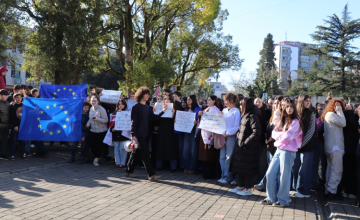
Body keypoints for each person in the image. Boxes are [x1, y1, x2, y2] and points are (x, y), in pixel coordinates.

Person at [260, 98, 303, 207]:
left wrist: (279, 137)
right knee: (270, 173)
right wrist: (280, 137)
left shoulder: (296, 121)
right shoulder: (283, 119)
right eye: (287, 106)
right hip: (279, 149)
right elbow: (274, 133)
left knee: (284, 176)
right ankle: (271, 197)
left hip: (289, 151)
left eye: (291, 106)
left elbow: (287, 137)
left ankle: (283, 200)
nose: (289, 109)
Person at [127, 87, 167, 181]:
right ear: (141, 95)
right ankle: (151, 174)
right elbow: (133, 121)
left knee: (135, 153)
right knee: (145, 153)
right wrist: (133, 134)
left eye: (148, 94)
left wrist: (163, 111)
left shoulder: (148, 108)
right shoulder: (135, 107)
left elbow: (155, 118)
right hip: (138, 134)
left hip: (145, 133)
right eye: (146, 94)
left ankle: (129, 171)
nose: (147, 96)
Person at [231, 98, 262, 196]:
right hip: (241, 148)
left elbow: (256, 132)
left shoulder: (253, 116)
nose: (240, 106)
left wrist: (245, 143)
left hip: (248, 149)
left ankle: (248, 188)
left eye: (242, 104)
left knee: (248, 169)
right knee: (240, 168)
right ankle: (241, 185)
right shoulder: (245, 115)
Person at [254, 95, 283, 192]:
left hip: (276, 145)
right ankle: (266, 185)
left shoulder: (280, 115)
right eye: (274, 103)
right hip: (269, 144)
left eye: (278, 103)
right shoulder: (272, 114)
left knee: (273, 168)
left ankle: (271, 188)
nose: (275, 105)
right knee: (270, 166)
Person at [291, 95, 317, 198]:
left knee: (305, 169)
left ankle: (305, 191)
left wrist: (301, 144)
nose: (308, 103)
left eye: (309, 101)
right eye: (306, 101)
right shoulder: (296, 113)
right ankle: (297, 188)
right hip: (297, 146)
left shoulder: (311, 113)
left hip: (307, 145)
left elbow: (311, 131)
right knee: (296, 167)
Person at [321, 99, 346, 200]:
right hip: (335, 147)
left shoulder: (329, 115)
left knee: (330, 169)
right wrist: (339, 109)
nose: (338, 107)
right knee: (336, 170)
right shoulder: (331, 114)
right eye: (336, 105)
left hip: (332, 147)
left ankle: (328, 191)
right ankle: (332, 192)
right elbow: (343, 123)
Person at [218, 93, 240, 184]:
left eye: (225, 100)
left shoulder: (236, 111)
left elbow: (236, 126)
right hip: (222, 135)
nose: (224, 102)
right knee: (222, 157)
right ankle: (223, 175)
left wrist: (227, 133)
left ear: (230, 101)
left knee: (228, 157)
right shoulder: (224, 110)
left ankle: (228, 177)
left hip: (230, 136)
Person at [198, 95, 222, 179]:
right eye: (207, 100)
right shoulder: (206, 109)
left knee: (209, 154)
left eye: (209, 100)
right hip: (204, 133)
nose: (207, 101)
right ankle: (205, 171)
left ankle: (210, 172)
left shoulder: (216, 110)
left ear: (214, 101)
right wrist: (200, 115)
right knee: (204, 153)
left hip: (211, 135)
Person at [340, 101, 358, 199]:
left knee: (353, 171)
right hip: (346, 148)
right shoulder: (346, 116)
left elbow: (353, 125)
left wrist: (350, 112)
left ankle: (352, 191)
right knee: (345, 170)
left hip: (353, 150)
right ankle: (345, 190)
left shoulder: (355, 118)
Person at [156, 94, 178, 172]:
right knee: (160, 146)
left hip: (170, 130)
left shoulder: (174, 108)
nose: (167, 100)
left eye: (168, 99)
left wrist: (173, 114)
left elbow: (176, 121)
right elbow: (156, 119)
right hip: (162, 129)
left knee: (171, 148)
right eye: (165, 99)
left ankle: (173, 167)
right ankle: (159, 165)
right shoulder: (160, 107)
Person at [86, 95, 109, 167]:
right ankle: (97, 156)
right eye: (92, 101)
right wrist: (88, 123)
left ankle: (96, 159)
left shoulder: (101, 109)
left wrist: (98, 119)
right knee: (92, 145)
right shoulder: (90, 109)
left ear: (98, 101)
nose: (93, 102)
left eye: (95, 101)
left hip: (101, 131)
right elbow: (90, 118)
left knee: (99, 146)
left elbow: (106, 120)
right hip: (93, 130)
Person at [182, 95, 201, 174]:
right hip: (187, 131)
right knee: (185, 150)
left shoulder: (198, 110)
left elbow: (200, 121)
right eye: (187, 100)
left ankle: (192, 168)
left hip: (194, 131)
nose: (187, 101)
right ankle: (186, 167)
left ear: (193, 100)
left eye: (189, 99)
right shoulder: (186, 109)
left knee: (193, 151)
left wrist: (197, 121)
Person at [111, 99, 130, 168]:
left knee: (122, 148)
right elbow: (111, 123)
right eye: (119, 104)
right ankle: (117, 162)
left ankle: (123, 162)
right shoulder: (114, 113)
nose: (120, 105)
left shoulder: (127, 113)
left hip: (123, 134)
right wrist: (112, 128)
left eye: (122, 104)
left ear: (124, 105)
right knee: (116, 148)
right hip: (115, 134)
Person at [312, 103, 326, 189]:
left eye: (321, 109)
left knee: (324, 164)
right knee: (315, 164)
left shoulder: (327, 119)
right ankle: (314, 182)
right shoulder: (316, 119)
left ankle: (323, 181)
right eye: (318, 109)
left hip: (323, 144)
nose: (319, 111)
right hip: (315, 144)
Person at [9, 93, 25, 160]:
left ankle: (22, 153)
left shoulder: (24, 106)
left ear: (22, 98)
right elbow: (11, 117)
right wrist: (15, 125)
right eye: (17, 97)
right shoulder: (12, 106)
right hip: (15, 126)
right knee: (13, 140)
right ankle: (12, 154)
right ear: (14, 98)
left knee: (22, 141)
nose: (19, 99)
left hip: (23, 126)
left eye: (20, 97)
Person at [0, 90, 10, 159]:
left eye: (7, 96)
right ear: (1, 95)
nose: (6, 97)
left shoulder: (8, 103)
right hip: (0, 125)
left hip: (6, 125)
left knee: (4, 141)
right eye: (5, 95)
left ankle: (2, 154)